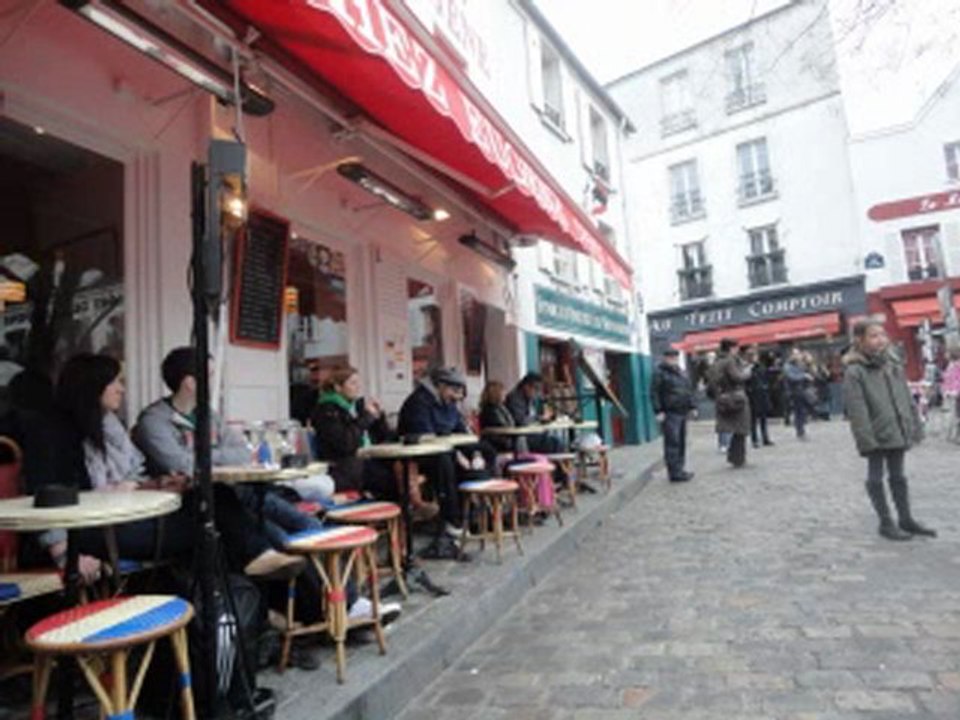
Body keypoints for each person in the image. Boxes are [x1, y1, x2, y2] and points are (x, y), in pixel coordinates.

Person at [34, 353, 302, 582]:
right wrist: (62, 552)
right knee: (215, 525)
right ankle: (259, 597)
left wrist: (157, 484)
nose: (122, 389)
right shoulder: (55, 432)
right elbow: (46, 494)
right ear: (92, 386)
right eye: (115, 381)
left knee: (219, 501)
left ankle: (259, 593)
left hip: (126, 517)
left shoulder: (108, 427)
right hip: (94, 530)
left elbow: (130, 479)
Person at [133, 347, 323, 551]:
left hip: (237, 492)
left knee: (310, 526)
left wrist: (207, 457)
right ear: (190, 382)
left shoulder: (208, 414)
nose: (215, 383)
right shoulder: (154, 421)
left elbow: (242, 451)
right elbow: (182, 464)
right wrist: (220, 457)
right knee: (283, 542)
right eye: (211, 375)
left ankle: (326, 577)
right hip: (195, 502)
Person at [843, 319, 935, 541]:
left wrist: (914, 424)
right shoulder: (855, 371)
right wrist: (866, 439)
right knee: (875, 477)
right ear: (860, 340)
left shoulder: (892, 364)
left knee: (898, 476)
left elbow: (906, 397)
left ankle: (905, 518)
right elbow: (857, 409)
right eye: (873, 336)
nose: (880, 340)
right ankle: (885, 522)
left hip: (896, 427)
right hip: (875, 431)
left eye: (882, 335)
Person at [311, 366, 437, 520]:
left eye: (358, 383)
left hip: (367, 460)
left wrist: (379, 417)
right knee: (395, 480)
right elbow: (345, 443)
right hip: (346, 467)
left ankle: (414, 506)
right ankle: (409, 512)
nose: (358, 388)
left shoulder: (356, 407)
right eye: (352, 383)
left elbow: (385, 437)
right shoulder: (327, 411)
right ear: (338, 387)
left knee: (406, 462)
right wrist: (366, 417)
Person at [398, 366, 479, 539]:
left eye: (460, 391)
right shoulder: (419, 402)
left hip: (444, 449)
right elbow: (425, 436)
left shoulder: (448, 403)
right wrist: (457, 452)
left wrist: (476, 454)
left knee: (483, 452)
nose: (456, 396)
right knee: (447, 461)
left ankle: (474, 514)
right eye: (454, 390)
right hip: (418, 455)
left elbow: (459, 429)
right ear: (441, 386)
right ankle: (451, 519)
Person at [480, 380, 555, 509]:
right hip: (501, 452)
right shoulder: (490, 412)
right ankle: (533, 501)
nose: (505, 395)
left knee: (543, 456)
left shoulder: (502, 409)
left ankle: (539, 501)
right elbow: (503, 433)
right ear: (496, 394)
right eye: (502, 392)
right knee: (539, 459)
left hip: (510, 448)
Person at [650, 348, 696, 482]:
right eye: (670, 357)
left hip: (681, 412)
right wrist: (658, 411)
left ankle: (680, 469)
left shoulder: (680, 372)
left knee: (681, 442)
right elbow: (654, 393)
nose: (673, 359)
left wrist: (692, 406)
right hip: (669, 413)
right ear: (665, 358)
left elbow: (688, 390)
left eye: (675, 357)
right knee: (672, 443)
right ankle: (674, 472)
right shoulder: (659, 372)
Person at [709, 339, 751, 468]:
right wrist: (747, 373)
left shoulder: (717, 361)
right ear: (732, 348)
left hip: (723, 398)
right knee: (741, 428)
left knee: (734, 428)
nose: (737, 350)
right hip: (736, 396)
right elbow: (737, 377)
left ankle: (734, 457)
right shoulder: (730, 361)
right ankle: (737, 458)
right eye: (736, 348)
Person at [505, 372, 562, 454]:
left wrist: (544, 417)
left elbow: (535, 415)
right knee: (555, 443)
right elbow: (521, 421)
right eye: (536, 389)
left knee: (556, 440)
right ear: (526, 386)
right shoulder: (515, 399)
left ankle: (561, 465)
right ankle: (559, 466)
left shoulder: (529, 399)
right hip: (521, 438)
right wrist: (539, 418)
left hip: (532, 433)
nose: (537, 393)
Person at [745, 348, 774, 449]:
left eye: (756, 356)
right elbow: (745, 380)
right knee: (753, 419)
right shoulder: (747, 368)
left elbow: (765, 377)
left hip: (762, 394)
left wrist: (765, 386)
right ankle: (755, 440)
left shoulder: (761, 367)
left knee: (763, 418)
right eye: (753, 356)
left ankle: (765, 438)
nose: (755, 358)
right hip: (752, 396)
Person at [783, 348, 813, 440]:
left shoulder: (800, 364)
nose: (798, 355)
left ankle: (801, 429)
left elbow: (808, 371)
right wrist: (804, 376)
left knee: (802, 411)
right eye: (796, 354)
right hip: (794, 392)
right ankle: (800, 431)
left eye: (798, 354)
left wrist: (808, 363)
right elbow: (792, 377)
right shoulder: (787, 366)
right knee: (798, 411)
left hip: (801, 391)